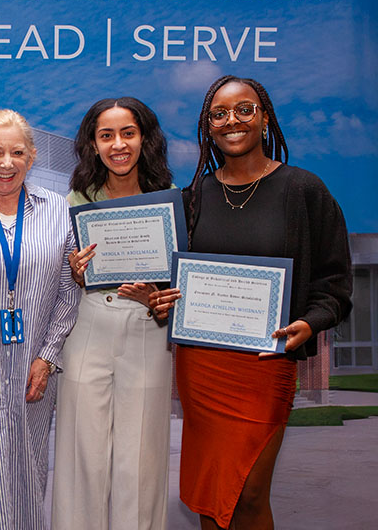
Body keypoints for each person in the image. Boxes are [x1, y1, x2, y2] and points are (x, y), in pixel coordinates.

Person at [150, 75, 352, 530]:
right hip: (202, 367)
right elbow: (172, 281)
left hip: (266, 365)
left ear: (264, 118)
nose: (232, 121)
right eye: (219, 114)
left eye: (244, 109)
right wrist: (162, 301)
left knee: (250, 493)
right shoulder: (192, 198)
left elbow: (335, 281)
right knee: (211, 493)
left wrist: (311, 322)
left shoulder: (304, 190)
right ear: (207, 127)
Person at [0, 109, 81, 530]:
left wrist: (48, 356)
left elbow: (69, 288)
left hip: (34, 368)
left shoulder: (59, 211)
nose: (7, 163)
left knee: (29, 468)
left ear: (33, 156)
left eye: (17, 152)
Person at [51, 98, 173, 530]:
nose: (118, 145)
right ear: (93, 144)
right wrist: (76, 274)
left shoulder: (171, 201)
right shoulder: (73, 201)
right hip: (88, 329)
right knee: (82, 458)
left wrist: (158, 299)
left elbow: (179, 285)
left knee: (140, 462)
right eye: (107, 136)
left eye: (128, 133)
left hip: (147, 332)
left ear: (145, 138)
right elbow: (59, 283)